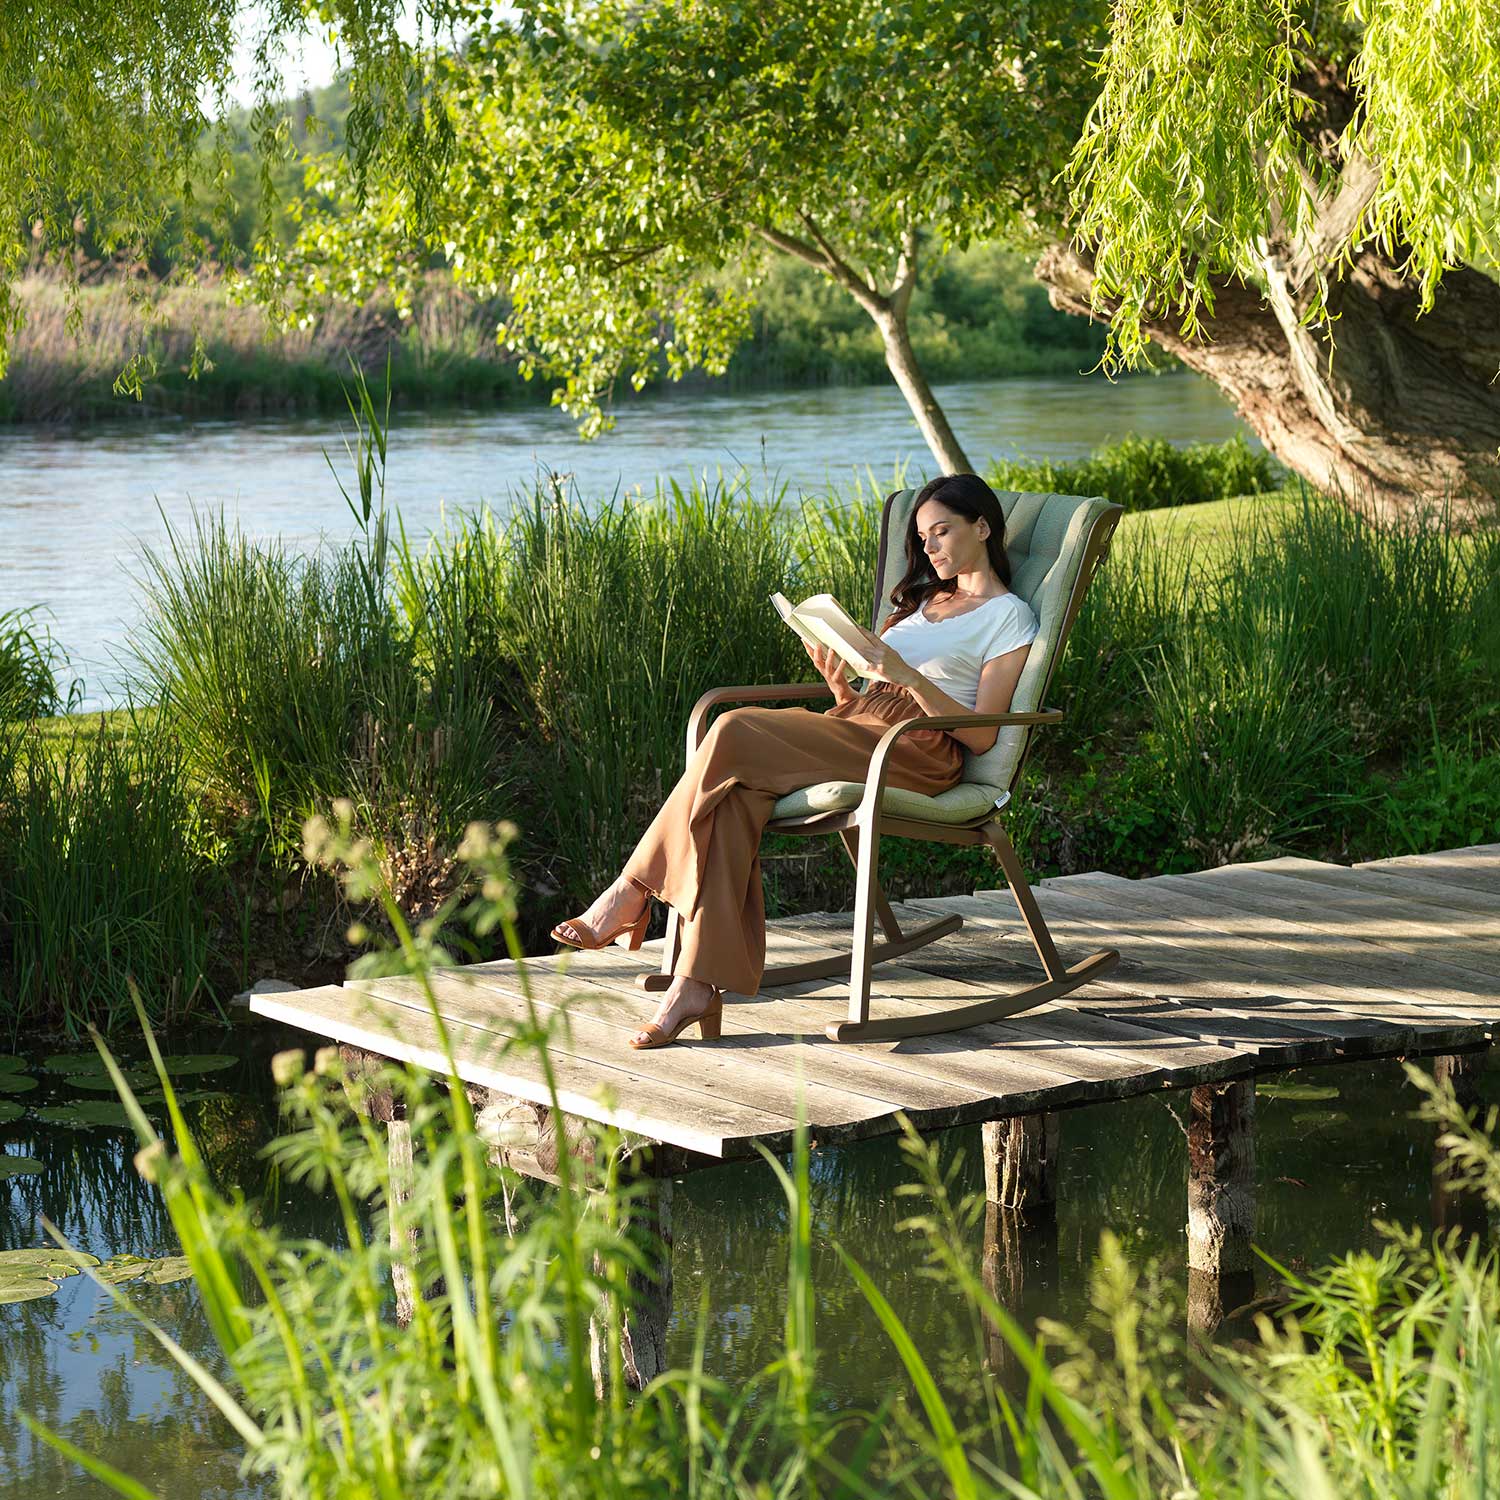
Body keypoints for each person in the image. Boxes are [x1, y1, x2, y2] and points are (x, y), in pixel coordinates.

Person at [551, 473, 1039, 1050]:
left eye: (942, 532)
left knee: (732, 725)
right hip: (860, 727)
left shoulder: (1009, 616)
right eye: (922, 537)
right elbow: (862, 704)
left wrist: (906, 676)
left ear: (982, 527)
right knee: (733, 800)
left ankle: (631, 890)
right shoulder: (924, 602)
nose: (929, 549)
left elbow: (981, 736)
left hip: (915, 750)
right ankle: (694, 984)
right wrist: (839, 683)